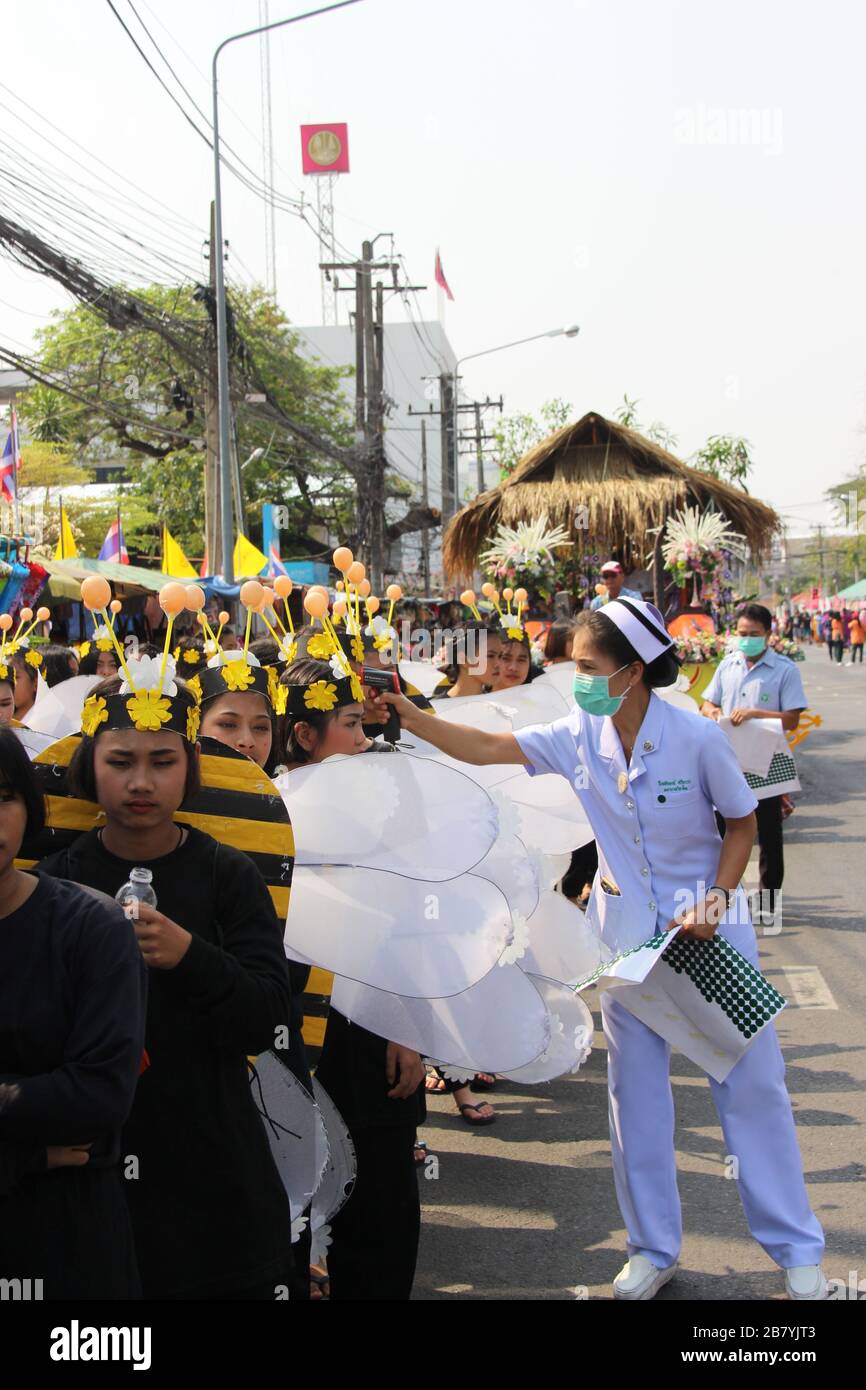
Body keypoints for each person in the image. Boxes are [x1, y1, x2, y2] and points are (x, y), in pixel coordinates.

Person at [372, 596, 827, 1303]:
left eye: (587, 665)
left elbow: (741, 824)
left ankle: (798, 1254)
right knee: (634, 1095)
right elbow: (490, 748)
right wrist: (412, 716)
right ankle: (651, 1248)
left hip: (707, 935)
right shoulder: (576, 732)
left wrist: (716, 895)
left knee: (751, 1087)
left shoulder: (697, 738)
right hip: (626, 944)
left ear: (635, 669)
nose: (575, 677)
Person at [38, 662, 295, 1301]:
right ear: (87, 766)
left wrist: (188, 953)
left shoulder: (229, 875)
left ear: (191, 768)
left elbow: (268, 1017)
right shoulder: (49, 882)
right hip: (84, 1162)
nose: (142, 782)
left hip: (211, 1155)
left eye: (163, 761)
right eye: (121, 762)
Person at [279, 653, 427, 1301]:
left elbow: (414, 923)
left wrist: (408, 1027)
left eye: (363, 724)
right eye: (347, 723)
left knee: (381, 1207)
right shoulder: (258, 810)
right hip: (286, 1029)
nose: (364, 739)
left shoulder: (386, 805)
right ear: (304, 736)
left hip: (371, 1024)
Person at [0, 727, 146, 1299]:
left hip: (65, 1240)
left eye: (4, 796)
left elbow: (100, 1097)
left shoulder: (91, 926)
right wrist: (31, 1150)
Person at [701, 603, 807, 921]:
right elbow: (708, 702)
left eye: (754, 635)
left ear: (769, 635)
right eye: (742, 634)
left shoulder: (784, 669)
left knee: (769, 837)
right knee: (719, 831)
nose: (746, 640)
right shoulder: (728, 665)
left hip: (766, 765)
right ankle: (719, 897)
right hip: (728, 762)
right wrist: (713, 714)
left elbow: (792, 719)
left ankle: (768, 903)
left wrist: (756, 714)